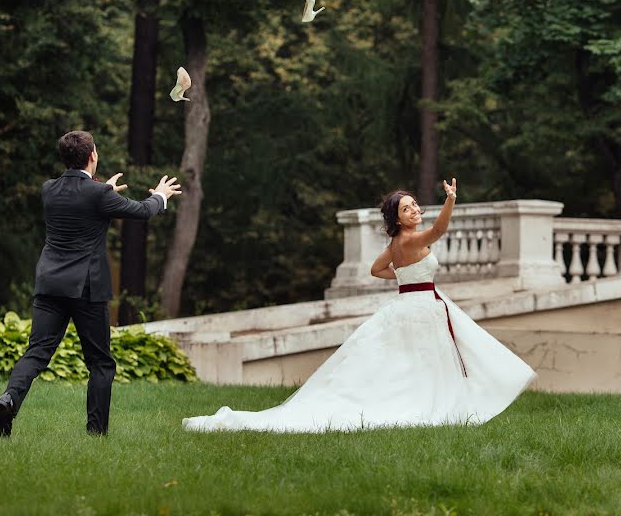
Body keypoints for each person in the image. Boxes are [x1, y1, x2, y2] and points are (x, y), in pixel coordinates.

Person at [182, 178, 536, 432]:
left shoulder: (397, 243)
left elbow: (376, 269)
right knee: (423, 363)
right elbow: (439, 232)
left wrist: (402, 278)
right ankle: (424, 407)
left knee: (409, 363)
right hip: (421, 307)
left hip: (410, 304)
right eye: (407, 208)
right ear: (398, 219)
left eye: (414, 205)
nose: (413, 210)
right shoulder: (412, 239)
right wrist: (451, 201)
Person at [0, 130, 182, 437]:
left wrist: (101, 190)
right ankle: (96, 432)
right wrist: (160, 194)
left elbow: (79, 199)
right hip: (86, 289)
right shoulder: (99, 195)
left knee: (37, 352)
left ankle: (9, 398)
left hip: (50, 284)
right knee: (100, 363)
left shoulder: (49, 189)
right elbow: (142, 211)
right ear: (93, 156)